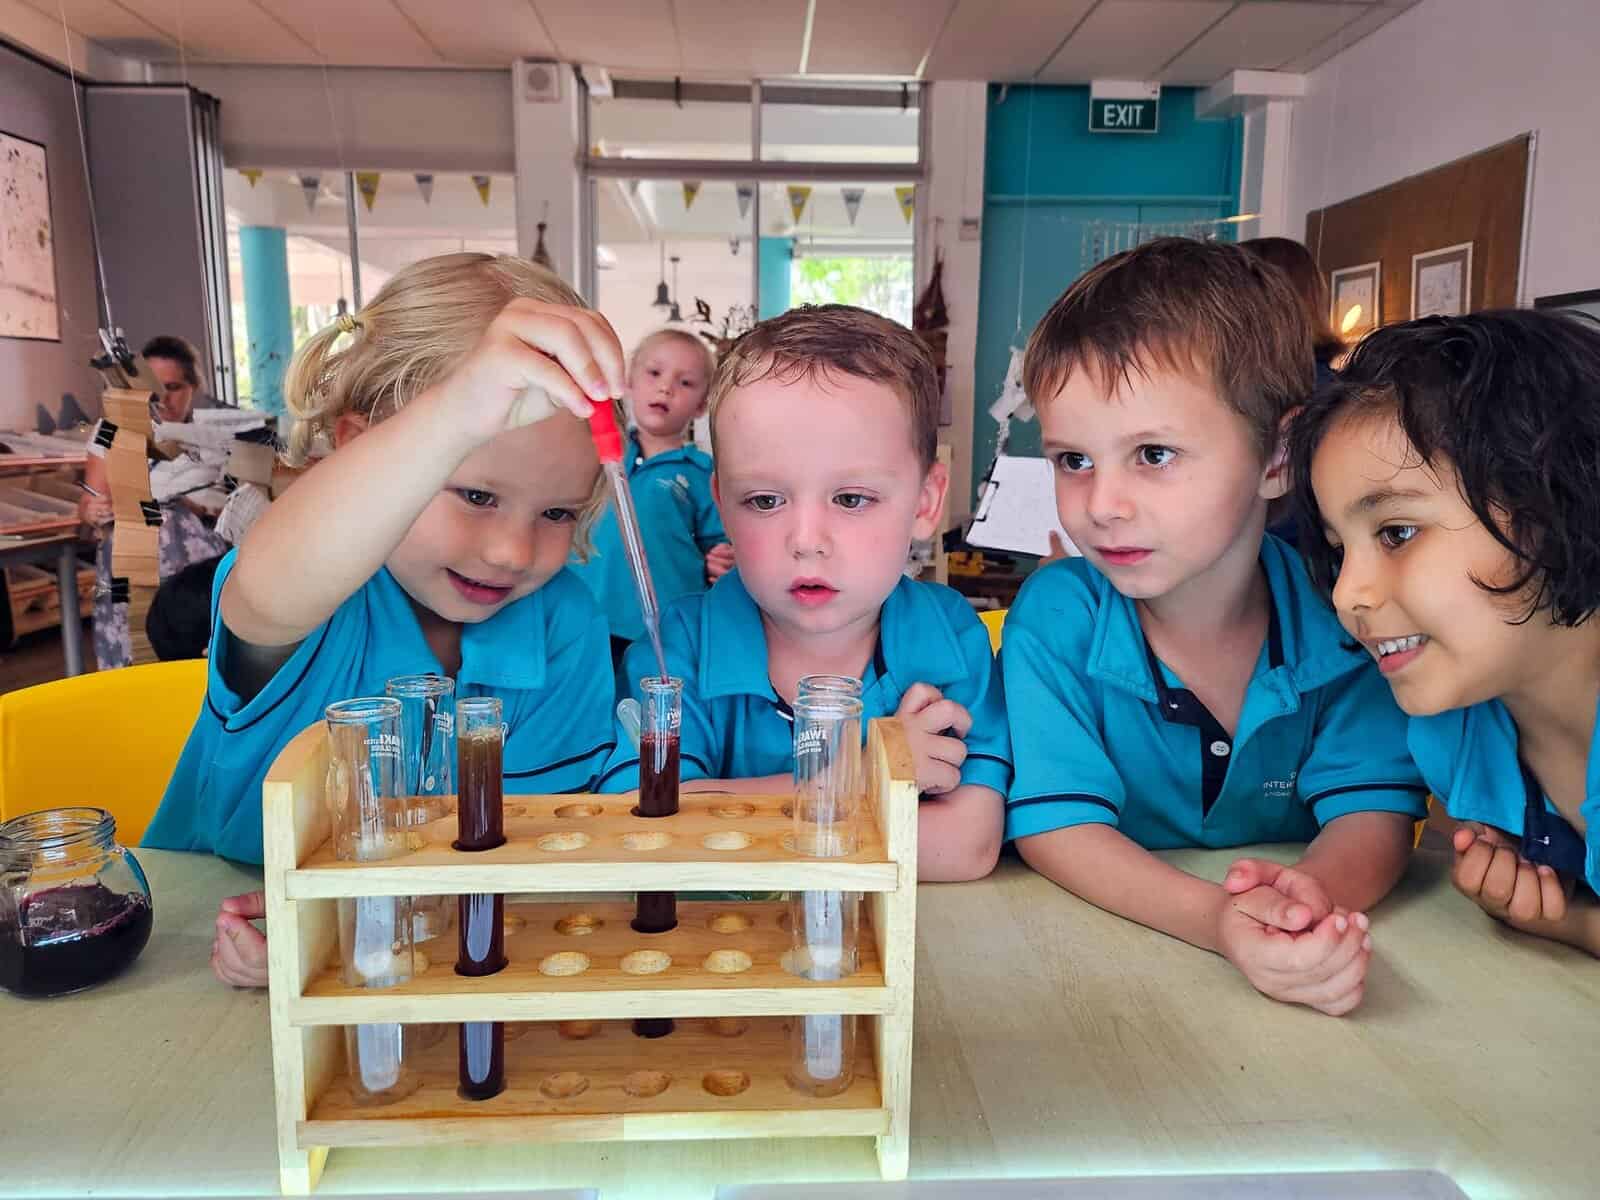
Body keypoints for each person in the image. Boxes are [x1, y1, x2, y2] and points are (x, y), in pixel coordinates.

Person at [139, 252, 626, 987]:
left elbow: (530, 851)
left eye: (557, 512)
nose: (511, 551)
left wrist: (350, 928)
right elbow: (272, 582)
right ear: (362, 444)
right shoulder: (315, 588)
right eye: (474, 494)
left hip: (442, 963)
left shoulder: (563, 624)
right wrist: (460, 410)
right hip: (209, 952)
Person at [1002, 238, 1427, 1015]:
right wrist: (1222, 921)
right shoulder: (1057, 617)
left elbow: (1374, 808)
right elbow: (1059, 827)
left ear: (1278, 457)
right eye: (1072, 460)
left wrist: (1300, 906)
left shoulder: (1347, 612)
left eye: (1153, 454)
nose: (1101, 504)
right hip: (1096, 992)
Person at [595, 305, 1009, 882]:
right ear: (722, 505)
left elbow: (964, 847)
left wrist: (733, 810)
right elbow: (653, 831)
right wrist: (864, 773)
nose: (807, 542)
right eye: (765, 500)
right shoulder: (674, 651)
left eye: (851, 498)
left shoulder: (950, 635)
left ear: (925, 502)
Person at [1291, 309, 1600, 957]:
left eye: (1397, 533)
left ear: (1555, 501)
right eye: (1338, 549)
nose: (1348, 593)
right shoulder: (1454, 733)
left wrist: (1567, 922)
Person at [569, 328, 733, 670]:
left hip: (659, 632)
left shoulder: (704, 474)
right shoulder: (590, 454)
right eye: (654, 373)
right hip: (582, 619)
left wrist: (722, 560)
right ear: (628, 380)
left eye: (685, 382)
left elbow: (724, 547)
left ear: (703, 404)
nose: (666, 387)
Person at [78, 335, 228, 669]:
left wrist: (201, 507)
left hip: (197, 577)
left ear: (193, 386)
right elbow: (88, 502)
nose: (161, 398)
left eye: (173, 386)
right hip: (131, 564)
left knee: (200, 654)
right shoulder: (111, 431)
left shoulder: (211, 437)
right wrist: (93, 510)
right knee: (135, 653)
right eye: (151, 388)